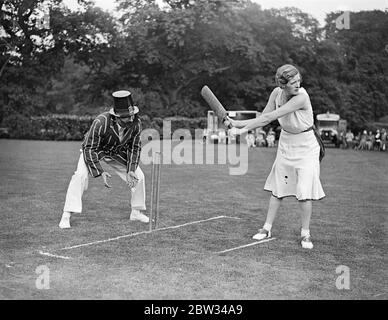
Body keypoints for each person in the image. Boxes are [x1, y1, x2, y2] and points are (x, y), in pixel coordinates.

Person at [228, 64, 325, 249]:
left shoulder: (301, 97)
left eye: (299, 80)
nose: (298, 85)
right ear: (282, 84)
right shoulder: (276, 94)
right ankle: (266, 228)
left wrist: (240, 126)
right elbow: (264, 116)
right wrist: (238, 126)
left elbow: (269, 118)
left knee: (304, 191)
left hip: (306, 145)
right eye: (293, 82)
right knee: (278, 187)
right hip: (287, 142)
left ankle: (305, 234)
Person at [58, 90, 149, 229]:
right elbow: (89, 147)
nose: (131, 119)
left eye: (132, 115)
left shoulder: (136, 123)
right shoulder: (101, 122)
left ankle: (136, 212)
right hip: (95, 150)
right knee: (80, 176)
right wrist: (100, 172)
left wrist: (130, 170)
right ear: (117, 116)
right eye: (126, 117)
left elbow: (135, 148)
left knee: (139, 176)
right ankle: (66, 215)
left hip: (116, 153)